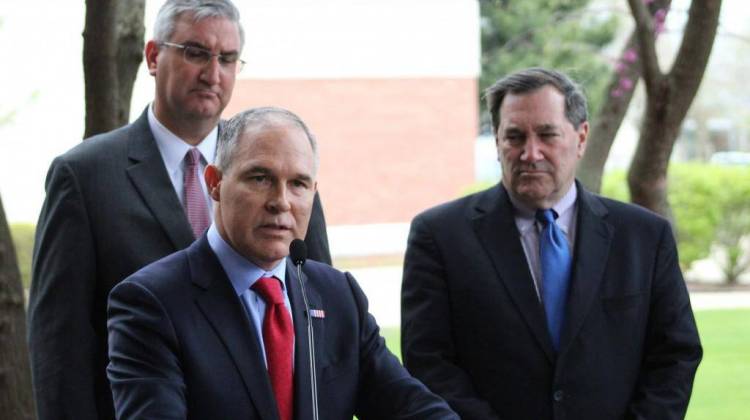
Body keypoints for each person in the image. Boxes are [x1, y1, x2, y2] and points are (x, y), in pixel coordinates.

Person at [28, 2, 331, 419]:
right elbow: (60, 346)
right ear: (153, 57)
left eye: (227, 59)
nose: (213, 73)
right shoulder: (85, 176)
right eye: (195, 52)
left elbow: (317, 307)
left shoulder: (279, 164)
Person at [106, 107, 458, 420]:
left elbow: (408, 405)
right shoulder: (151, 303)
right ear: (214, 183)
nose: (281, 202)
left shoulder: (337, 295)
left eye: (298, 184)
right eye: (260, 178)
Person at [400, 67, 702, 419]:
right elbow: (428, 362)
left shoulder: (644, 237)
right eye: (514, 137)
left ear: (581, 137)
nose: (531, 153)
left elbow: (675, 356)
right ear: (497, 142)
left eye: (547, 134)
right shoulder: (440, 236)